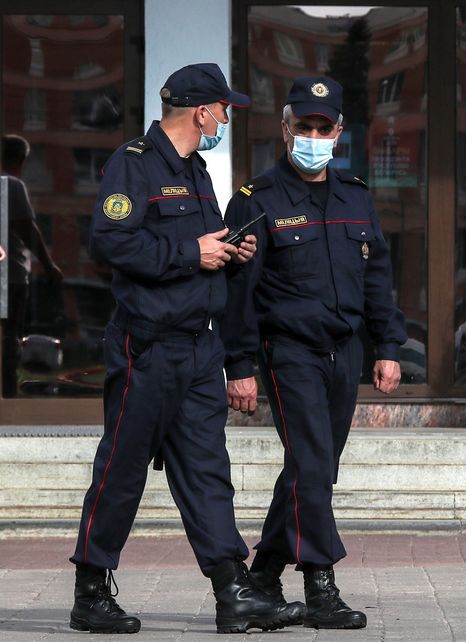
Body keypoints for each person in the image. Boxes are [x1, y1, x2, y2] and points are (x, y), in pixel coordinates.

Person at [69, 63, 302, 634]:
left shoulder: (198, 170)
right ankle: (90, 591)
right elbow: (111, 241)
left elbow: (197, 249)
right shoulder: (134, 164)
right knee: (121, 472)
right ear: (201, 111)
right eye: (224, 109)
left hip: (200, 350)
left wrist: (227, 253)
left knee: (206, 472)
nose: (227, 117)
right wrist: (189, 254)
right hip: (146, 350)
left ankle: (232, 591)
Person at [218, 75, 407, 630]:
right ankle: (321, 585)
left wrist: (388, 345)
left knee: (313, 469)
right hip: (289, 352)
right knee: (313, 464)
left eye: (324, 127)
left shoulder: (356, 196)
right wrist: (241, 365)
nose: (314, 135)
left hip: (343, 353)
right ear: (285, 129)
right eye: (305, 126)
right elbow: (239, 294)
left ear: (339, 132)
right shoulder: (256, 200)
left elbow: (377, 278)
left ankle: (264, 575)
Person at [1, 134, 63, 398]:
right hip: (10, 276)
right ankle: (6, 395)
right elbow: (28, 229)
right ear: (21, 160)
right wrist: (49, 266)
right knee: (9, 337)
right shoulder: (11, 185)